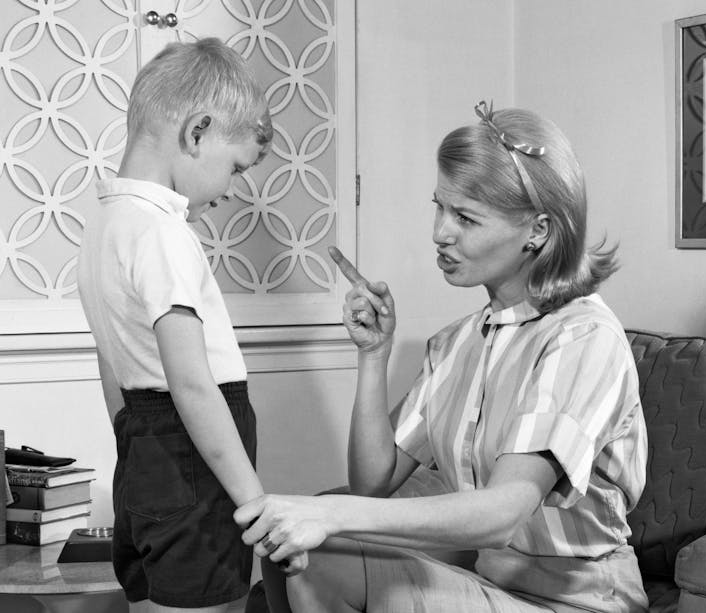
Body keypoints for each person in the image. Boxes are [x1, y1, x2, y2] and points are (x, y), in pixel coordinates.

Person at [234, 102, 650, 613]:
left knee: (320, 542)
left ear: (538, 231)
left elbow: (504, 512)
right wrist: (374, 355)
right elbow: (373, 482)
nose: (440, 232)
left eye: (466, 217)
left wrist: (331, 514)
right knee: (295, 550)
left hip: (582, 601)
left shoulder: (584, 338)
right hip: (493, 581)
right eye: (441, 207)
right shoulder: (457, 343)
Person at [77, 38, 305, 613]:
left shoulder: (104, 224)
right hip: (188, 460)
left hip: (142, 448)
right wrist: (257, 507)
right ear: (197, 132)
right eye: (233, 168)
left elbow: (112, 361)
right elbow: (192, 383)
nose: (229, 188)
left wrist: (135, 457)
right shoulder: (162, 231)